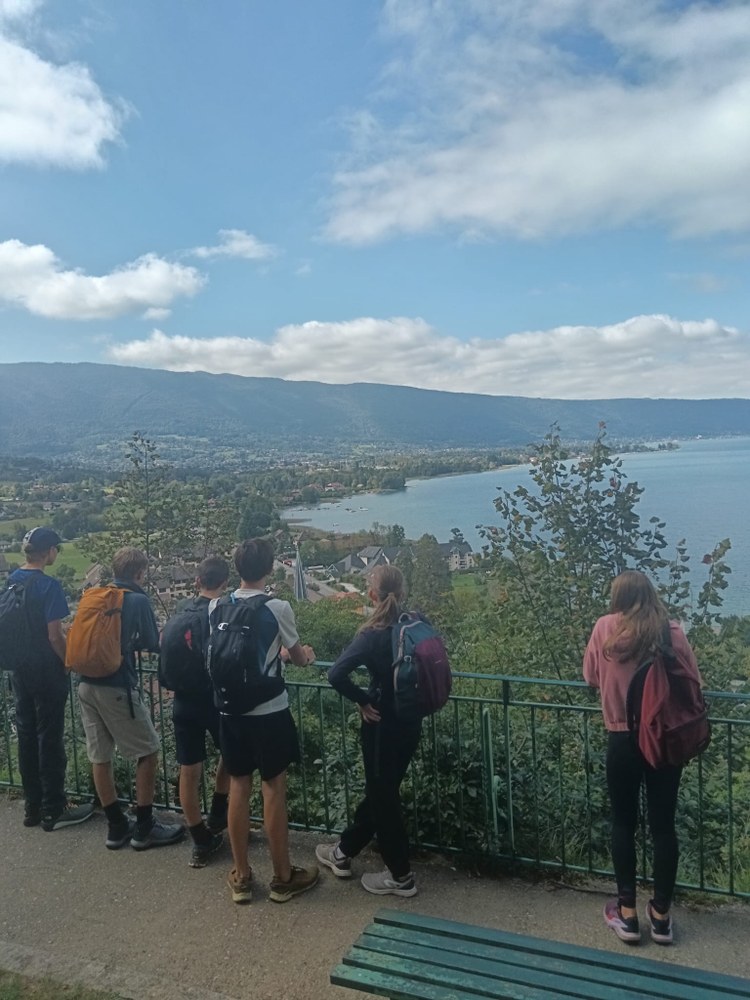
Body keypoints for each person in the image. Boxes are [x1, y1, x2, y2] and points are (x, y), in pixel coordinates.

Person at [583, 569, 701, 946]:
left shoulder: (604, 628)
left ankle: (628, 915)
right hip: (663, 741)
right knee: (663, 826)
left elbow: (590, 677)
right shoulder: (671, 632)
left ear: (617, 597)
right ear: (650, 594)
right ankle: (661, 918)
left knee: (623, 823)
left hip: (621, 738)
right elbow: (694, 685)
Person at [212, 537, 318, 904]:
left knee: (238, 787)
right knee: (273, 788)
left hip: (230, 711)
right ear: (270, 569)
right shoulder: (277, 607)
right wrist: (303, 656)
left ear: (237, 569)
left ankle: (242, 876)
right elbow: (297, 657)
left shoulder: (216, 606)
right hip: (269, 711)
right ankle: (283, 877)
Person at [316, 564, 421, 897]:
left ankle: (400, 876)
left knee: (383, 798)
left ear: (372, 595)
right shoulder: (415, 623)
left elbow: (335, 674)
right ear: (401, 592)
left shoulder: (371, 634)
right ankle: (343, 852)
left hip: (381, 725)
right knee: (382, 791)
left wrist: (363, 700)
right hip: (411, 720)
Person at [77, 546, 184, 851]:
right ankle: (145, 827)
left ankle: (116, 826)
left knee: (100, 756)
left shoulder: (97, 594)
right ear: (139, 572)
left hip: (86, 684)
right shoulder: (136, 600)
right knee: (148, 751)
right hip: (116, 686)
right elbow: (151, 642)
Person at [9, 527, 94, 831]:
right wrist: (68, 661)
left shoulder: (12, 580)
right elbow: (54, 635)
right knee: (50, 737)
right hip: (46, 669)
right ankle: (54, 809)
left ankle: (32, 807)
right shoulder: (49, 586)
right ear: (48, 552)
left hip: (19, 668)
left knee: (27, 735)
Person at [172, 556, 231, 868]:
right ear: (225, 583)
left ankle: (199, 840)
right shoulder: (224, 610)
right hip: (214, 698)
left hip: (183, 700)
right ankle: (219, 813)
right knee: (232, 754)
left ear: (197, 581)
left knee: (189, 768)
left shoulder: (182, 610)